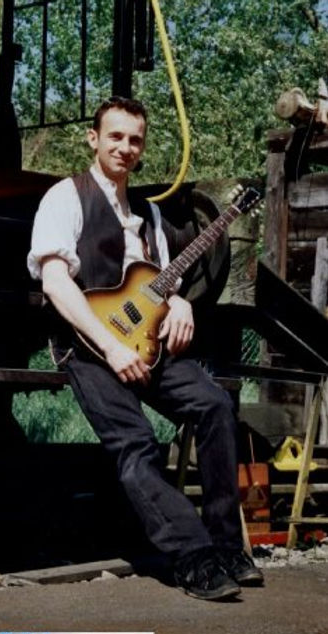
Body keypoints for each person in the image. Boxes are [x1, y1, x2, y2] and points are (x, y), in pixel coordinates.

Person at [27, 96, 263, 601]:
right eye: (115, 136)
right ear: (93, 138)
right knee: (136, 444)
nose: (125, 147)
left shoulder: (149, 214)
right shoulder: (65, 197)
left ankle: (227, 547)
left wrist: (179, 303)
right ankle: (194, 558)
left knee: (216, 406)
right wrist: (112, 349)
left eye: (135, 140)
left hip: (147, 343)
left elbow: (156, 282)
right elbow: (55, 282)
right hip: (88, 346)